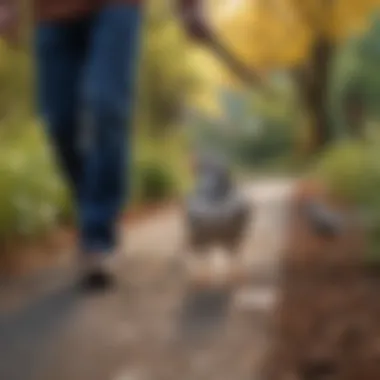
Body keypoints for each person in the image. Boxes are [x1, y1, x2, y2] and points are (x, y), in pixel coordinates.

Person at [0, 0, 210, 290]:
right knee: (59, 121)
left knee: (106, 108)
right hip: (50, 14)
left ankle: (98, 238)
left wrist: (191, 7)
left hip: (117, 9)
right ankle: (93, 210)